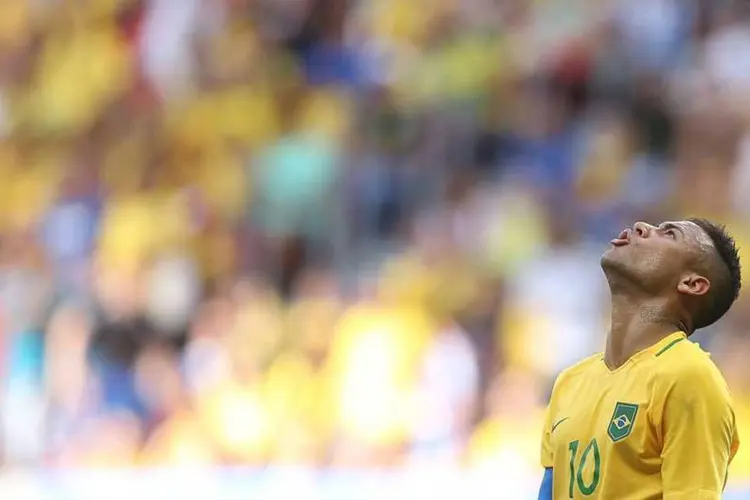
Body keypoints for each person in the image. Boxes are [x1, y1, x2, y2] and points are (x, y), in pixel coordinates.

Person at [538, 219, 742, 499]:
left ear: (692, 283)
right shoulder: (569, 382)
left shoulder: (690, 377)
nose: (642, 226)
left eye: (669, 234)